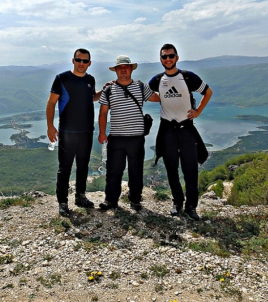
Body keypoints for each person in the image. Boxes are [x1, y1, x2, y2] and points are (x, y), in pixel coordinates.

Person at [149, 43, 213, 221]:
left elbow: (208, 92)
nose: (168, 59)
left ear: (176, 57)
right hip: (167, 129)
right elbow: (147, 94)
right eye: (164, 57)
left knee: (190, 169)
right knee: (171, 169)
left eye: (171, 56)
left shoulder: (188, 77)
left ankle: (191, 206)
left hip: (186, 129)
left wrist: (198, 111)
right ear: (160, 59)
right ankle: (177, 202)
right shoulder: (157, 80)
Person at [98, 55, 159, 211]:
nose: (123, 70)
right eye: (120, 67)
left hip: (136, 137)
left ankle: (135, 199)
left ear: (131, 68)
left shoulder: (140, 87)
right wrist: (102, 132)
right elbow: (103, 112)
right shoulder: (109, 89)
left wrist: (177, 95)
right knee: (113, 170)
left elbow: (157, 98)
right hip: (116, 137)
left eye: (126, 67)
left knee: (136, 170)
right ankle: (110, 200)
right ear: (116, 70)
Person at [46, 48, 102, 216]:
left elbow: (90, 97)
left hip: (86, 131)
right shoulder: (62, 78)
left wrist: (104, 90)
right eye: (79, 60)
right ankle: (62, 202)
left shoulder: (90, 79)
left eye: (85, 61)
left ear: (89, 63)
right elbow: (51, 103)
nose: (81, 64)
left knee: (83, 166)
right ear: (73, 60)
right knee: (65, 168)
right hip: (67, 132)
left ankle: (80, 196)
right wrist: (50, 126)